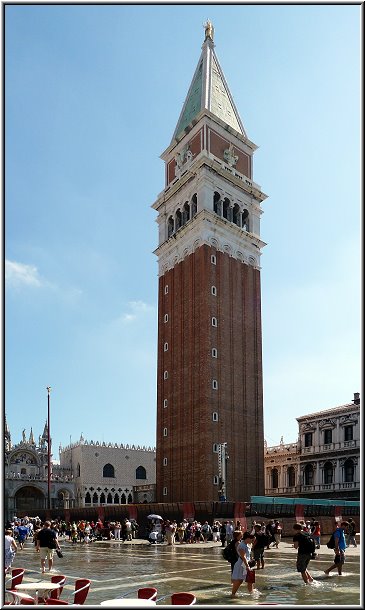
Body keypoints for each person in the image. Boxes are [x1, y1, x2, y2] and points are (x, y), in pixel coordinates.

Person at [231, 531, 257, 596]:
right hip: (241, 565)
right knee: (239, 580)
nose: (252, 540)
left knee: (250, 580)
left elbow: (247, 556)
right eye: (251, 539)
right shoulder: (241, 545)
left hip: (246, 564)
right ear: (247, 538)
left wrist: (251, 560)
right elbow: (243, 557)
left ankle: (251, 593)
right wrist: (247, 566)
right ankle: (233, 594)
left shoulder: (246, 545)